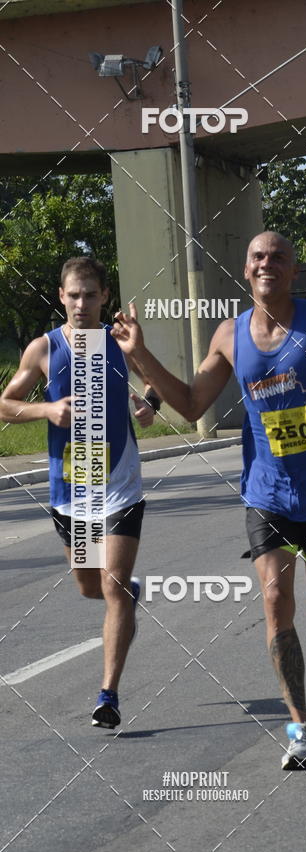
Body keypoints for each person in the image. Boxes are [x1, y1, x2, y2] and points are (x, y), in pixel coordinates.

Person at [111, 231, 306, 769]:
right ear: (246, 270)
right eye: (259, 257)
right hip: (267, 493)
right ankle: (301, 729)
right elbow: (192, 405)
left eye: (279, 257)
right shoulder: (228, 335)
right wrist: (140, 354)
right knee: (273, 600)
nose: (268, 264)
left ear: (293, 270)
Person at [0, 257, 157, 728]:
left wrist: (149, 404)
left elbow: (154, 380)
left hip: (120, 484)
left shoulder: (119, 340)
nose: (82, 303)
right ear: (61, 296)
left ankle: (108, 695)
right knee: (90, 585)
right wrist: (46, 410)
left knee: (110, 585)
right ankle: (128, 597)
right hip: (72, 489)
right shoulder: (43, 349)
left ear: (104, 296)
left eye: (91, 294)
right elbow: (5, 405)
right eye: (74, 295)